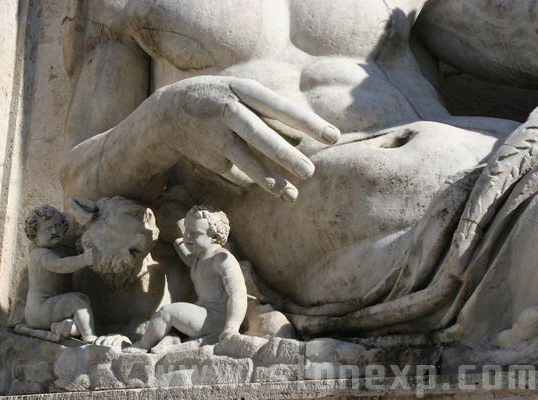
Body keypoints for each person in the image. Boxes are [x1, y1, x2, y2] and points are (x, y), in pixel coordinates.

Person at [58, 0, 538, 347]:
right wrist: (166, 119)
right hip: (312, 217)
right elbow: (81, 185)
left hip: (482, 160)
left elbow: (514, 32)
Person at [137, 205, 247, 351]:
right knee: (171, 333)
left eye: (194, 233)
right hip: (202, 312)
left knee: (166, 313)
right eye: (186, 231)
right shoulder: (199, 258)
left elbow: (238, 294)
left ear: (213, 236)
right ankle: (167, 345)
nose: (187, 237)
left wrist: (231, 328)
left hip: (215, 318)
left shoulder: (222, 259)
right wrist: (175, 236)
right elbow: (186, 256)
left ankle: (142, 346)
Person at [22, 204, 98, 343]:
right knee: (78, 301)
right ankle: (89, 337)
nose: (54, 231)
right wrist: (84, 259)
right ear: (35, 235)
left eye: (57, 226)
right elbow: (60, 265)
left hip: (50, 307)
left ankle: (60, 328)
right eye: (47, 229)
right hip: (40, 309)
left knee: (76, 322)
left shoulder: (59, 249)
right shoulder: (40, 254)